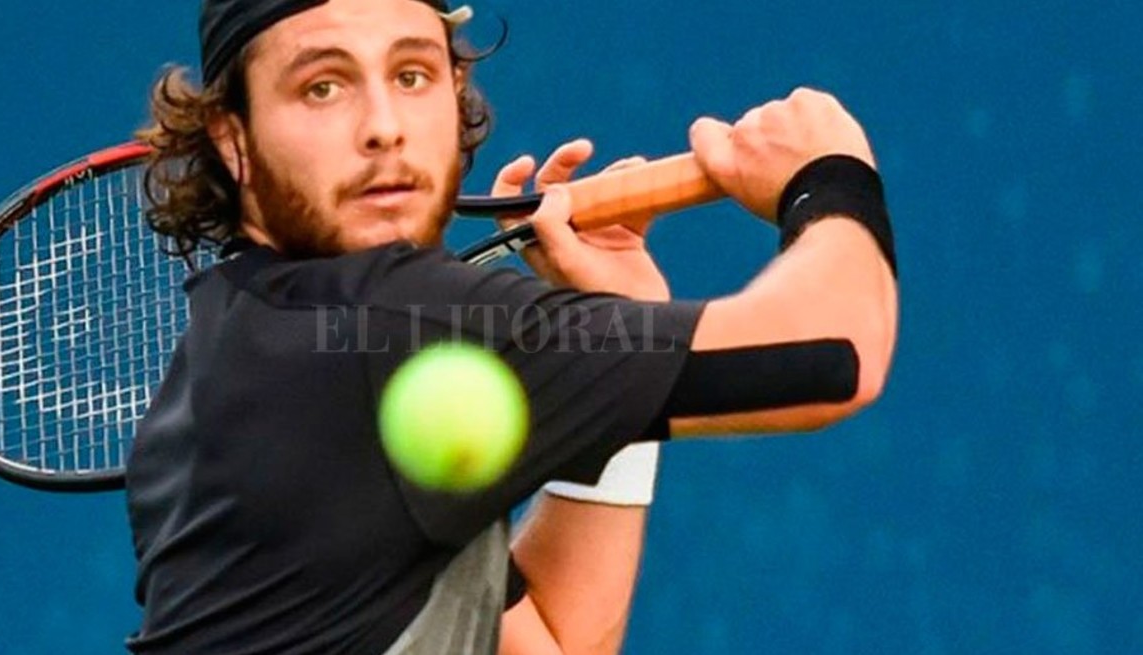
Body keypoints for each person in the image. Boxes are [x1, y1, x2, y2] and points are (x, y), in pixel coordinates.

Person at [125, 0, 899, 653]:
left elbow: (559, 642)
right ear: (233, 140)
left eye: (412, 75)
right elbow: (835, 349)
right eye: (323, 87)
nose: (384, 127)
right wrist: (827, 176)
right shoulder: (390, 322)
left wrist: (621, 320)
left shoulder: (234, 353)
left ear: (454, 90)